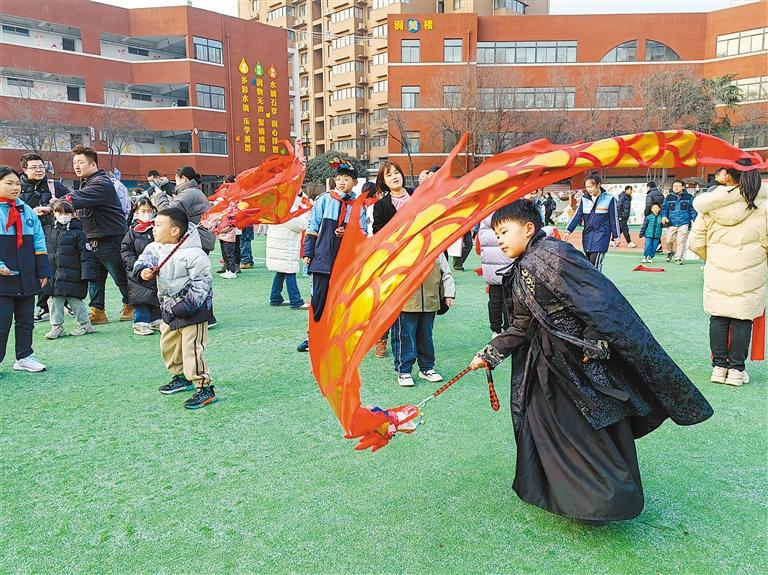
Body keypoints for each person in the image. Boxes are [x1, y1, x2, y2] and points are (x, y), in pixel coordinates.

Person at [468, 199, 713, 523]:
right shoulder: (521, 267)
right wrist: (490, 354)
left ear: (528, 228)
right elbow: (522, 326)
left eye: (503, 231)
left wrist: (596, 341)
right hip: (545, 367)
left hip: (580, 365)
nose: (499, 240)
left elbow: (599, 300)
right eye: (496, 233)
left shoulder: (555, 255)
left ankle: (606, 499)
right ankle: (565, 495)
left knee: (588, 429)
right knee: (543, 425)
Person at [689, 158, 767, 387]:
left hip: (718, 267)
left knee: (719, 317)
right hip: (751, 269)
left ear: (730, 176)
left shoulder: (710, 204)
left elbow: (696, 242)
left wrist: (712, 257)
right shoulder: (763, 203)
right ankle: (736, 370)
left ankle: (718, 367)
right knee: (743, 318)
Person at [133, 208, 216, 409]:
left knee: (192, 350)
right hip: (168, 309)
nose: (154, 228)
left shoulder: (195, 254)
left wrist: (186, 306)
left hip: (193, 311)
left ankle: (203, 386)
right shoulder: (155, 247)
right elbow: (142, 262)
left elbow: (202, 284)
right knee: (168, 346)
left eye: (159, 225)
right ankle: (180, 376)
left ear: (175, 231)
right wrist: (143, 272)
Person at [299, 160, 367, 352]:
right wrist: (308, 253)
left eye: (346, 179)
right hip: (322, 258)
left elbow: (362, 233)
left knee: (340, 300)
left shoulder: (358, 206)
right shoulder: (324, 200)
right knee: (318, 299)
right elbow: (312, 227)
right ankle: (313, 337)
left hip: (346, 262)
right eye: (338, 179)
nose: (341, 182)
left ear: (354, 182)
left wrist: (348, 231)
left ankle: (336, 336)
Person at [63, 146, 131, 325]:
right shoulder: (88, 182)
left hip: (111, 238)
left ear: (93, 164)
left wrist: (58, 203)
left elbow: (76, 198)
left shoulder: (101, 182)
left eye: (81, 162)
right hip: (92, 239)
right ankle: (97, 310)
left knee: (120, 275)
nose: (76, 166)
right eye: (74, 163)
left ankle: (132, 305)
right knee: (94, 278)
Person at [0, 166, 51, 373]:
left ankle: (24, 356)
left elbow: (39, 241)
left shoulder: (26, 210)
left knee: (26, 320)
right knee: (2, 322)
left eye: (17, 184)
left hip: (27, 276)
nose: (15, 188)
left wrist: (43, 270)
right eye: (9, 183)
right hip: (3, 278)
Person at [19, 153, 69, 323]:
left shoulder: (54, 185)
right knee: (35, 269)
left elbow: (69, 204)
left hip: (54, 233)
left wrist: (54, 205)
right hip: (27, 234)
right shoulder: (16, 187)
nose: (39, 170)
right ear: (24, 169)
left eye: (41, 166)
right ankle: (44, 306)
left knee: (56, 267)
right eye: (34, 167)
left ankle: (63, 300)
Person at [391, 254, 455, 387]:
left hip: (430, 301)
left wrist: (449, 293)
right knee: (405, 337)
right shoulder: (403, 245)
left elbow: (446, 272)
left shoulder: (437, 248)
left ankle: (426, 368)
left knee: (426, 336)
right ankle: (404, 370)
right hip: (405, 302)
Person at [372, 161, 413, 358]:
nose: (395, 177)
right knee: (388, 300)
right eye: (389, 175)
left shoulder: (418, 195)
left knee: (416, 302)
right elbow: (378, 232)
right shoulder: (381, 205)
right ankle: (381, 337)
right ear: (384, 181)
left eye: (397, 172)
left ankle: (413, 341)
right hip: (394, 260)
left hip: (418, 255)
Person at [43, 200, 96, 339]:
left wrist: (86, 275)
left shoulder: (78, 233)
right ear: (54, 213)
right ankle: (56, 327)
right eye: (60, 212)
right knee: (55, 300)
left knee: (76, 300)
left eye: (67, 213)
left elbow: (86, 255)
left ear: (73, 214)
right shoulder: (49, 230)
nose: (63, 215)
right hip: (54, 274)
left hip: (74, 274)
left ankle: (85, 324)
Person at [120, 198, 162, 336]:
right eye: (143, 211)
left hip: (156, 268)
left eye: (149, 211)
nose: (147, 214)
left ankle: (156, 319)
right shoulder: (132, 231)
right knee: (141, 297)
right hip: (137, 271)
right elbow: (125, 250)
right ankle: (141, 322)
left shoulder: (158, 228)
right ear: (137, 212)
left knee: (156, 295)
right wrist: (136, 265)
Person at [151, 166, 215, 254]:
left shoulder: (188, 193)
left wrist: (159, 195)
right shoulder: (194, 192)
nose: (176, 184)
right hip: (200, 238)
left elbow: (167, 212)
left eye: (176, 180)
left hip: (196, 239)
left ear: (183, 178)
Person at [563, 173, 620, 272]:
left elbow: (613, 219)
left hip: (602, 236)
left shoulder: (609, 199)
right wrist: (568, 231)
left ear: (598, 185)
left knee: (595, 266)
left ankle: (597, 286)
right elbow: (577, 216)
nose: (589, 189)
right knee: (589, 265)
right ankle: (591, 286)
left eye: (591, 186)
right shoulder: (584, 199)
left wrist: (616, 236)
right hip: (588, 236)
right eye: (587, 187)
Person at [266, 195, 309, 309]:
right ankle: (296, 301)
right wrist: (306, 212)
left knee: (281, 271)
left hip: (279, 244)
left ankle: (275, 297)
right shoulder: (288, 209)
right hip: (286, 245)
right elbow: (301, 225)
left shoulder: (277, 207)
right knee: (290, 271)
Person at [477, 215, 512, 336]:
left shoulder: (484, 219)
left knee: (494, 300)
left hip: (491, 267)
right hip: (508, 265)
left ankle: (495, 329)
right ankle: (509, 328)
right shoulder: (509, 217)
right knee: (509, 300)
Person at [661, 179, 697, 265]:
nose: (676, 188)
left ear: (683, 187)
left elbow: (692, 210)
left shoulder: (689, 197)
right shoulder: (669, 197)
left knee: (681, 241)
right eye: (674, 186)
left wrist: (695, 220)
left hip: (684, 222)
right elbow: (665, 208)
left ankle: (678, 257)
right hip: (672, 222)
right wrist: (664, 216)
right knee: (669, 240)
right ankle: (670, 252)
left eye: (678, 186)